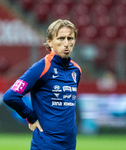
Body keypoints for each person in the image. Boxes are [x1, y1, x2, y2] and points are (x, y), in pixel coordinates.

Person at [3, 19, 82, 150]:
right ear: (50, 42)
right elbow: (10, 96)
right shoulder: (42, 67)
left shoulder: (76, 70)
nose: (66, 43)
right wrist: (31, 117)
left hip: (69, 145)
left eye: (70, 38)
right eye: (61, 39)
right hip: (45, 145)